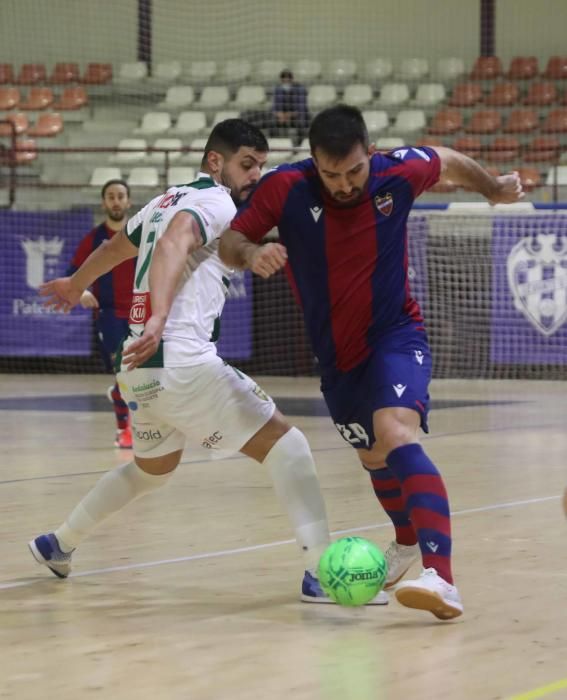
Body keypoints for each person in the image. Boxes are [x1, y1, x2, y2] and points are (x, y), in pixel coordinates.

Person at [29, 118, 388, 606]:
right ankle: (318, 573)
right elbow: (178, 241)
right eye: (247, 164)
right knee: (290, 446)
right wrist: (158, 315)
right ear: (216, 161)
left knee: (151, 470)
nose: (255, 175)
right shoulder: (215, 202)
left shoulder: (163, 199)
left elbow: (118, 247)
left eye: (260, 165)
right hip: (180, 360)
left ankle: (60, 542)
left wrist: (76, 282)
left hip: (139, 370)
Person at [219, 105, 525, 620]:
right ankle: (406, 542)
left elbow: (446, 158)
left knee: (396, 432)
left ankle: (442, 578)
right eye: (331, 174)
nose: (343, 185)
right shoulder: (285, 188)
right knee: (374, 458)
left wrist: (492, 188)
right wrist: (250, 254)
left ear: (371, 153)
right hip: (337, 357)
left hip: (395, 335)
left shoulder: (397, 171)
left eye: (354, 171)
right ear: (313, 161)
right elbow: (230, 240)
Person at [68, 178, 134, 449]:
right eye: (111, 196)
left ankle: (119, 395)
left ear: (129, 201)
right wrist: (81, 291)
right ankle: (124, 430)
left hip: (143, 313)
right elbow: (72, 274)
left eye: (120, 196)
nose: (116, 201)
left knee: (140, 375)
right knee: (123, 371)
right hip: (109, 315)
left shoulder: (140, 233)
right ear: (103, 202)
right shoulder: (95, 238)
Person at [271, 69, 310, 147]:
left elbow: (302, 108)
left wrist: (288, 115)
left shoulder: (300, 89)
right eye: (284, 80)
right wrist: (278, 114)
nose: (286, 82)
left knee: (301, 124)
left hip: (297, 116)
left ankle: (297, 146)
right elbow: (274, 106)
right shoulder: (278, 89)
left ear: (292, 80)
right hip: (282, 117)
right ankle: (277, 146)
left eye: (288, 80)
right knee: (272, 123)